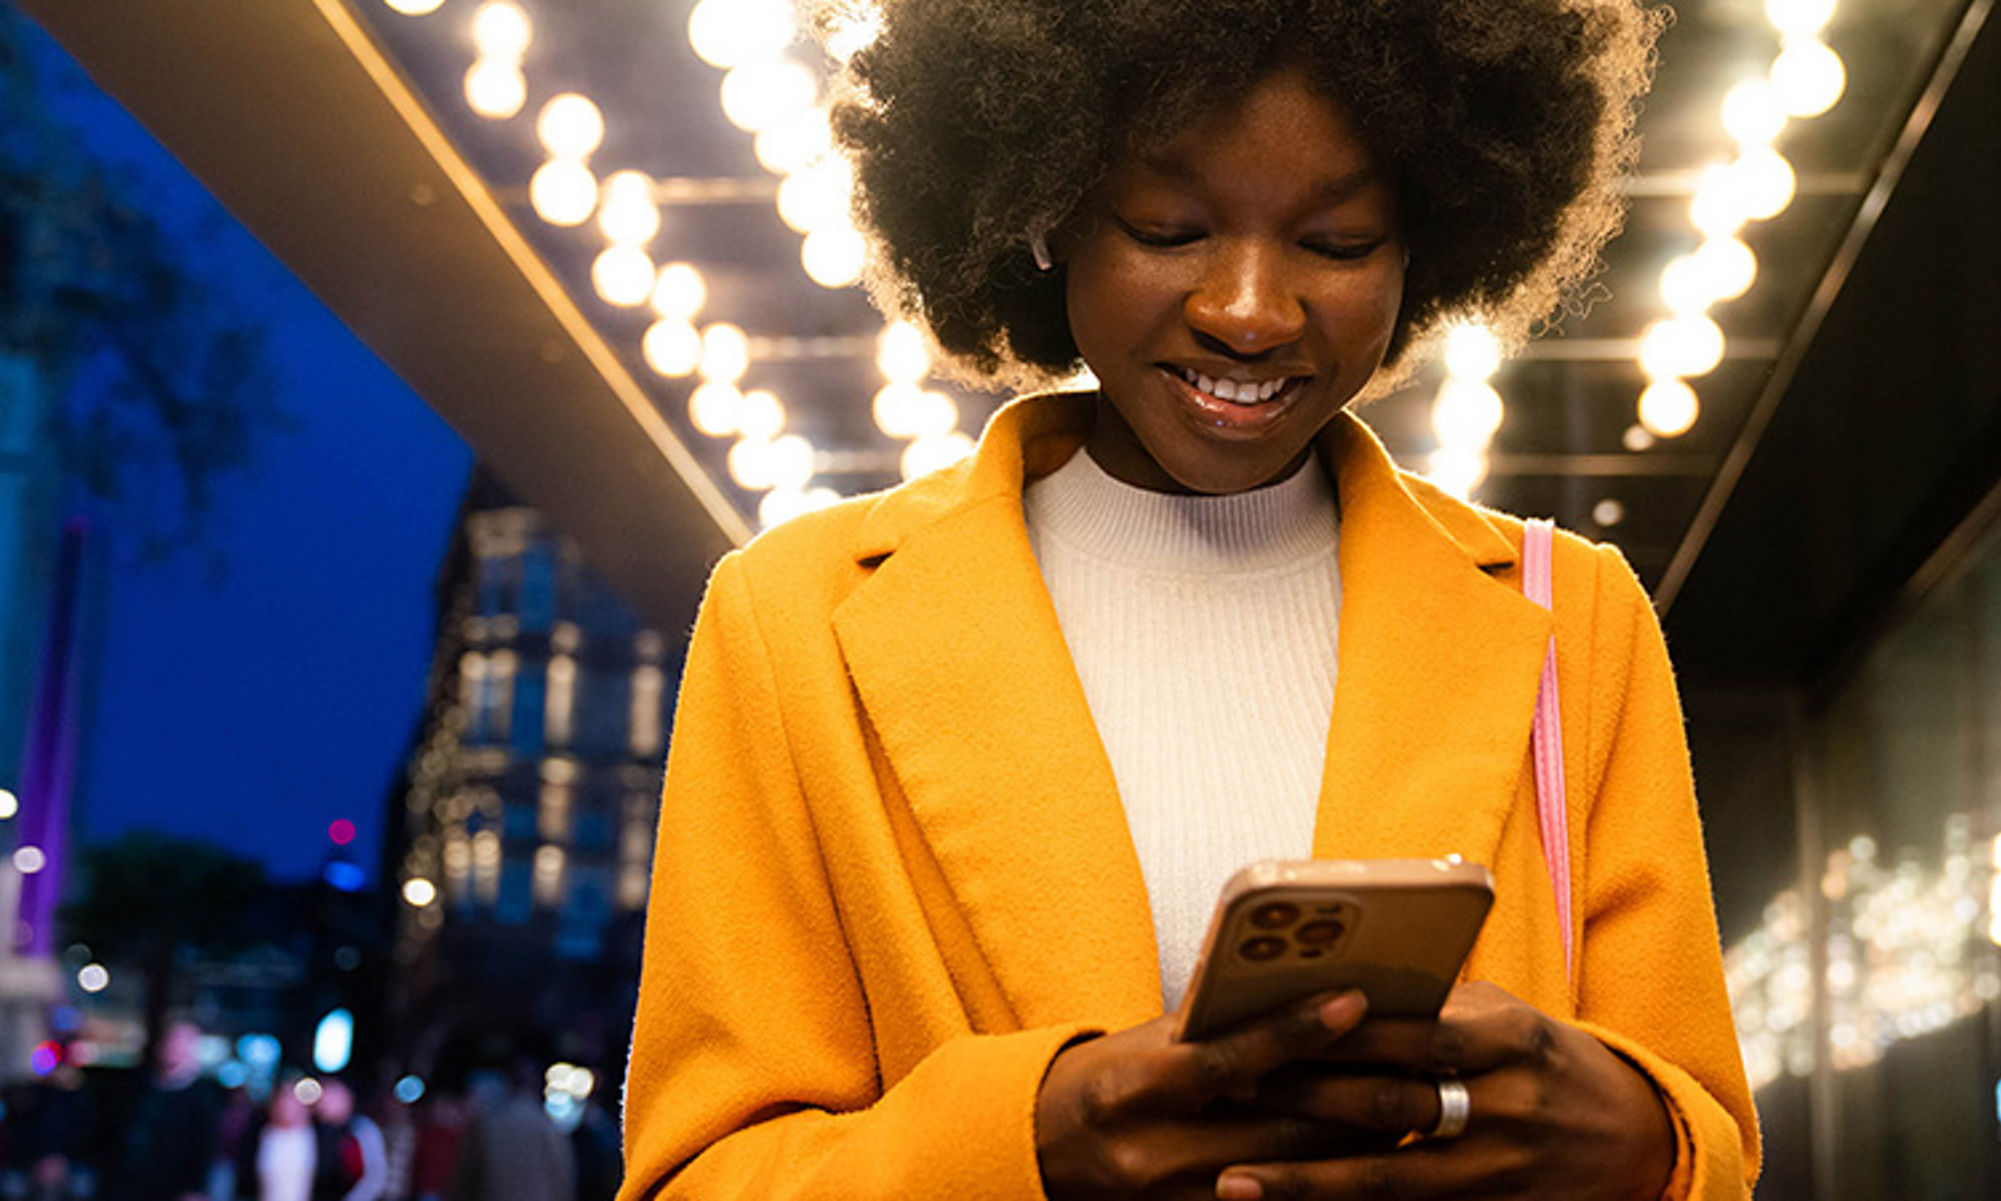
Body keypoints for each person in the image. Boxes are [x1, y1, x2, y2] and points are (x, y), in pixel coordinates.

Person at [619, 2, 1761, 1199]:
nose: (1251, 309)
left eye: (1338, 240)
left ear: (1430, 234)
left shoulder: (1574, 619)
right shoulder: (790, 623)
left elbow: (1705, 1140)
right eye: (1168, 226)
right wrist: (1026, 1142)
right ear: (1045, 207)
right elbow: (701, 1172)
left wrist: (1649, 1144)